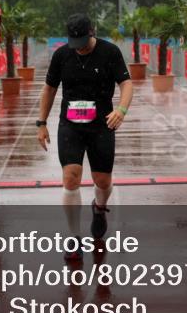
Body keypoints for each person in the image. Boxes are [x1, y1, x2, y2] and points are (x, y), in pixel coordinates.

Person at [37, 14, 133, 260]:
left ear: (92, 32)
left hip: (101, 125)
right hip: (70, 125)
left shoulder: (110, 52)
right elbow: (49, 89)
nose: (78, 48)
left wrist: (121, 110)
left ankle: (99, 208)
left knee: (103, 181)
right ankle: (74, 237)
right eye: (74, 43)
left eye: (82, 43)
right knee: (71, 177)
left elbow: (126, 84)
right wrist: (41, 123)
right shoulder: (62, 55)